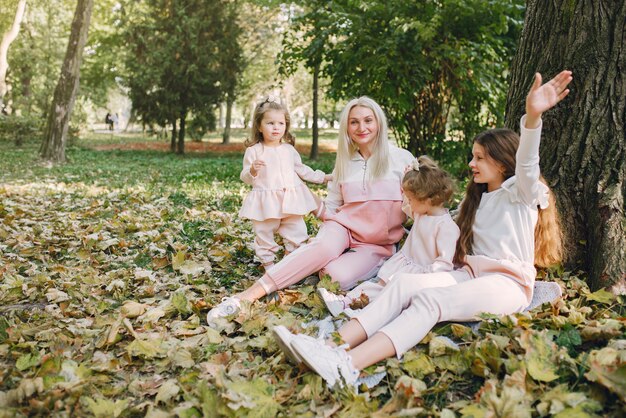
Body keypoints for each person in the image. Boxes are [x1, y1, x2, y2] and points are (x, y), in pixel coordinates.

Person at [273, 70, 572, 388]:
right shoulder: (477, 199)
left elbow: (528, 161)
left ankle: (346, 365)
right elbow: (436, 218)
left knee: (429, 302)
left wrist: (532, 117)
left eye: (480, 158)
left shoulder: (520, 193)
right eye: (473, 156)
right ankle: (328, 346)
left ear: (502, 162)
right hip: (468, 275)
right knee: (403, 285)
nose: (472, 164)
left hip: (506, 285)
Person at [207, 96, 415, 326]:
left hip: (376, 244)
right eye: (354, 122)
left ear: (379, 123)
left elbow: (418, 208)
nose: (361, 127)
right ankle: (243, 298)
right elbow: (335, 206)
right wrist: (321, 218)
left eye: (368, 120)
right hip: (343, 228)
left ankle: (352, 261)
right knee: (320, 248)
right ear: (347, 127)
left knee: (332, 277)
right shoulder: (345, 162)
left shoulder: (402, 159)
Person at [318, 155, 459, 317]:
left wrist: (423, 277)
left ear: (428, 199)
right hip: (405, 263)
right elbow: (406, 206)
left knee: (387, 295)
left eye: (412, 199)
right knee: (377, 286)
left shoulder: (446, 227)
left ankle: (363, 312)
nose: (409, 202)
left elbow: (444, 264)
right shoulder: (422, 213)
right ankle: (346, 301)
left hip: (419, 273)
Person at [238, 98, 331, 271]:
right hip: (266, 202)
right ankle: (269, 265)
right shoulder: (254, 151)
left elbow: (302, 169)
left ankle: (289, 262)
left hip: (291, 200)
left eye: (281, 123)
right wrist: (252, 170)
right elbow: (246, 177)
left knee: (297, 231)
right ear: (259, 126)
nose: (276, 127)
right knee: (264, 233)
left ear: (286, 126)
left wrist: (323, 177)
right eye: (270, 123)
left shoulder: (288, 150)